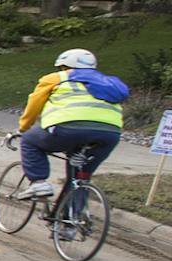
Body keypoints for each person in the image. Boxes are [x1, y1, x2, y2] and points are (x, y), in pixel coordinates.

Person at [10, 48, 128, 200]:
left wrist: (24, 127)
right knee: (80, 177)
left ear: (64, 66)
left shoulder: (56, 78)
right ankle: (72, 221)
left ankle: (38, 183)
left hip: (68, 129)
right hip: (109, 134)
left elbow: (35, 103)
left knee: (29, 140)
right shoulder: (110, 82)